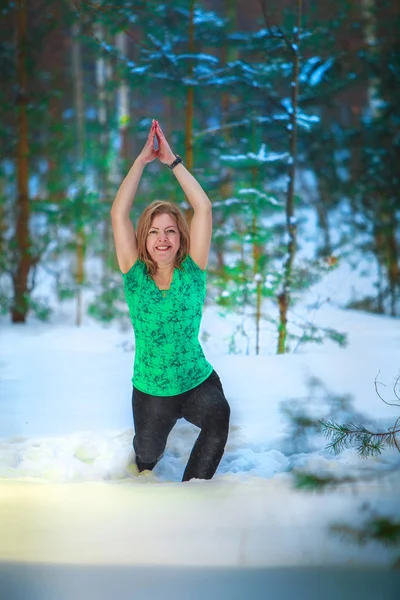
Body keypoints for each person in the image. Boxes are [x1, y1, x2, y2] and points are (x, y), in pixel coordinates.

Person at [110, 119, 230, 482]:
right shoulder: (134, 275)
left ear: (181, 237)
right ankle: (140, 479)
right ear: (143, 238)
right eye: (154, 232)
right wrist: (142, 162)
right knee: (147, 455)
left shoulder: (193, 270)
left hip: (196, 381)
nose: (162, 239)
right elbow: (118, 213)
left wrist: (172, 162)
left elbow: (204, 208)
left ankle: (193, 490)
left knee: (218, 416)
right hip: (151, 392)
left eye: (171, 231)